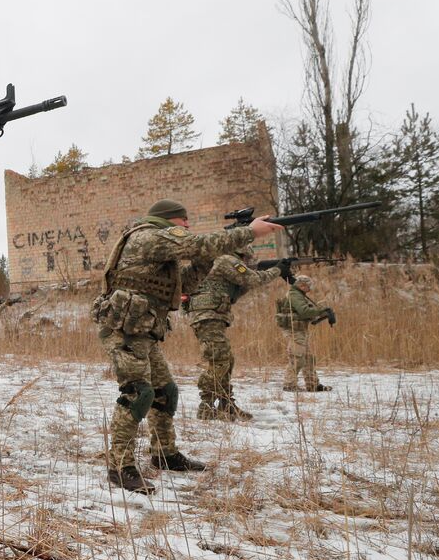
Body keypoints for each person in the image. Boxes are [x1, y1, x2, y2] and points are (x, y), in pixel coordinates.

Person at [91, 199, 283, 495]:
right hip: (124, 330)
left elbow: (186, 284)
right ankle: (120, 467)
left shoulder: (159, 248)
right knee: (138, 393)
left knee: (165, 391)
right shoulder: (149, 236)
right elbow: (198, 244)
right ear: (168, 220)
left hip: (143, 329)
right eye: (184, 221)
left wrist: (210, 258)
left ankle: (164, 454)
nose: (188, 225)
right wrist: (249, 232)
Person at [186, 249, 284, 420]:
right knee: (219, 361)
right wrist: (277, 270)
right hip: (207, 316)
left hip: (211, 316)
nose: (247, 262)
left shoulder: (222, 262)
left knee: (227, 360)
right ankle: (206, 406)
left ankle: (226, 404)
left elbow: (238, 291)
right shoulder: (227, 259)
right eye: (247, 258)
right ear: (242, 254)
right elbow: (254, 279)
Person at [277, 274, 334, 392]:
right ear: (302, 285)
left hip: (300, 330)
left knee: (308, 358)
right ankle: (289, 384)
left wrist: (324, 313)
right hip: (294, 330)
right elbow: (304, 312)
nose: (310, 289)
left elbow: (308, 314)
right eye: (308, 286)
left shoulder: (299, 295)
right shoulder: (294, 295)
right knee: (297, 358)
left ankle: (313, 385)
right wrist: (320, 309)